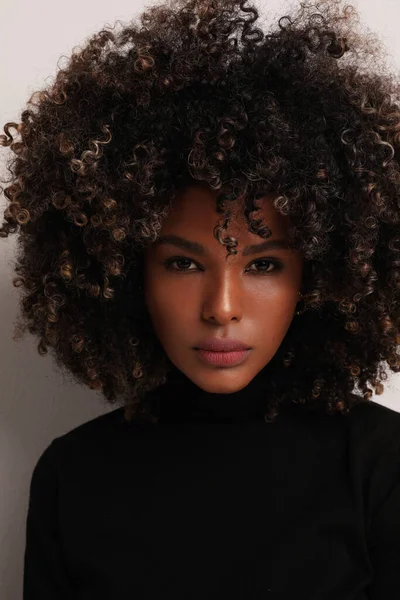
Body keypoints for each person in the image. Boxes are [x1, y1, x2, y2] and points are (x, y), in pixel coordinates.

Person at [1, 0, 400, 597]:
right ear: (123, 269)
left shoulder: (380, 465)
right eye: (184, 263)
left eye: (263, 264)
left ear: (321, 274)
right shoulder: (73, 476)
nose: (222, 306)